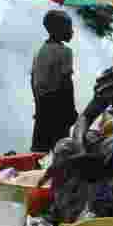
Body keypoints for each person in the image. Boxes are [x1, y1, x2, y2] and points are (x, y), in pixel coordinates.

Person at [30, 10, 78, 152]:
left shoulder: (39, 51)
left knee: (41, 148)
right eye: (68, 27)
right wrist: (71, 109)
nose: (72, 31)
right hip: (59, 105)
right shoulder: (65, 52)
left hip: (42, 105)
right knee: (60, 149)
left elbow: (32, 80)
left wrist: (38, 105)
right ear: (58, 29)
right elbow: (66, 83)